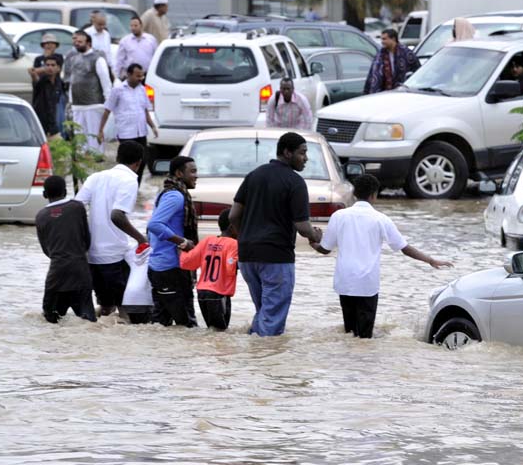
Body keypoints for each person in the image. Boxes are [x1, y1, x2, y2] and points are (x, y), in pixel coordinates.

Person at [311, 174, 451, 338]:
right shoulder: (381, 219)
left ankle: (347, 362)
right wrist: (430, 260)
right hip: (367, 284)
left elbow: (325, 249)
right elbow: (404, 248)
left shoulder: (339, 216)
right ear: (374, 195)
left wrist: (312, 242)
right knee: (364, 336)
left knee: (349, 333)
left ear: (355, 193)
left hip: (345, 282)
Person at [229, 131, 323, 337]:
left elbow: (233, 215)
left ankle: (250, 359)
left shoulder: (253, 175)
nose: (306, 158)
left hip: (247, 257)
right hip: (276, 258)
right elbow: (302, 227)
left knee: (264, 311)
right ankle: (267, 364)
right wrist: (316, 235)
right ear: (287, 153)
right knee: (272, 319)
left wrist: (244, 237)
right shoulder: (295, 182)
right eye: (302, 153)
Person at [75, 141, 149, 317]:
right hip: (115, 256)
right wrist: (141, 239)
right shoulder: (130, 179)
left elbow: (76, 208)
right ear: (139, 163)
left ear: (117, 158)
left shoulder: (95, 177)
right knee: (125, 312)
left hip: (92, 256)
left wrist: (81, 241)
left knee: (106, 308)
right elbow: (117, 215)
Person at [35, 176, 96, 324]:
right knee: (88, 322)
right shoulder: (77, 208)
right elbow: (87, 240)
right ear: (65, 190)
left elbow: (46, 250)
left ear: (44, 194)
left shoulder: (41, 217)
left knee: (50, 322)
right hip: (80, 272)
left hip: (56, 277)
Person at [147, 156, 199, 327]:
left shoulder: (169, 193)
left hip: (161, 267)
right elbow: (154, 224)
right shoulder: (176, 196)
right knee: (187, 326)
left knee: (161, 324)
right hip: (171, 269)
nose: (196, 176)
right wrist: (182, 242)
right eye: (192, 171)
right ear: (179, 173)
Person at [180, 207, 239, 330]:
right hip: (219, 294)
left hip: (202, 293)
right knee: (220, 332)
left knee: (211, 330)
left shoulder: (207, 241)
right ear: (233, 227)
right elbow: (230, 267)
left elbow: (186, 263)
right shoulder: (234, 244)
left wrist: (184, 249)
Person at [63, 30, 111, 155]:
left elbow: (105, 80)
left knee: (94, 132)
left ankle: (97, 155)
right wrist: (71, 101)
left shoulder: (97, 58)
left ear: (88, 43)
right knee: (79, 134)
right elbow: (72, 81)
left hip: (94, 103)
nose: (76, 44)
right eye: (75, 41)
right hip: (77, 104)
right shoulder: (74, 59)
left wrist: (108, 101)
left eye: (80, 41)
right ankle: (82, 156)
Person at [99, 64, 156, 149]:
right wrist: (101, 130)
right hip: (126, 134)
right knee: (128, 159)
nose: (140, 78)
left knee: (142, 159)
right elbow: (107, 110)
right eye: (138, 76)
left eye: (142, 76)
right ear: (129, 75)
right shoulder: (118, 90)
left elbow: (145, 110)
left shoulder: (142, 90)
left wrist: (153, 127)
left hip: (141, 132)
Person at [363, 28, 419, 94]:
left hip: (402, 92)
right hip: (383, 93)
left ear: (393, 39)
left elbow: (417, 70)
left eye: (384, 39)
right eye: (381, 39)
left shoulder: (406, 53)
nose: (382, 42)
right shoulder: (380, 55)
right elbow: (372, 74)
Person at [31, 56, 65, 137]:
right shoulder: (41, 81)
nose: (50, 67)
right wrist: (43, 69)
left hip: (53, 126)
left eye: (53, 65)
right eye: (47, 65)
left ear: (59, 68)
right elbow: (31, 71)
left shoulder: (59, 82)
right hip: (40, 126)